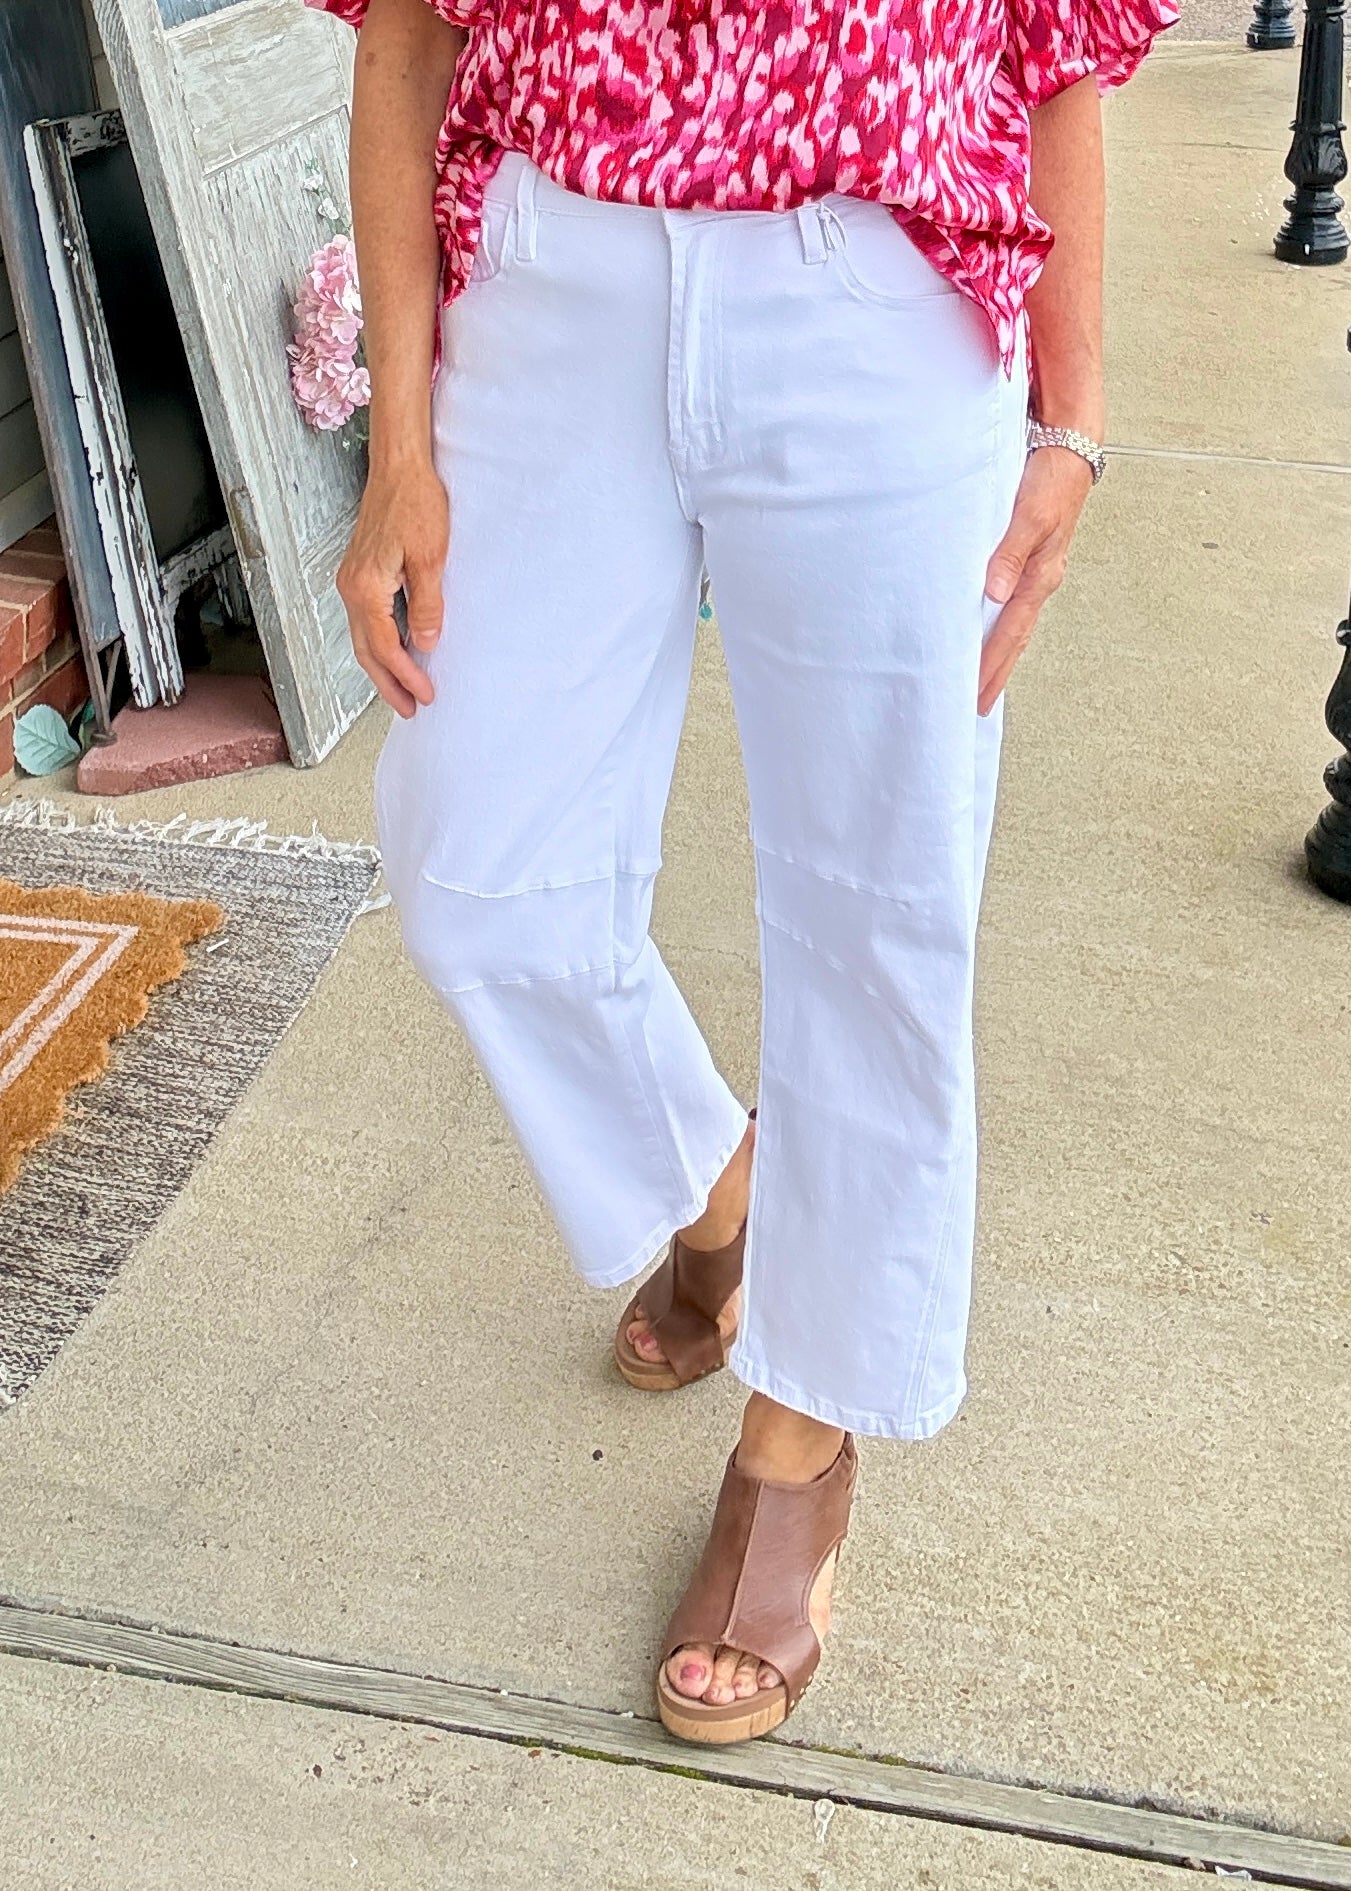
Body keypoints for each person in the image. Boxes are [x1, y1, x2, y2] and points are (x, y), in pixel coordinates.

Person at [307, 0, 1176, 1746]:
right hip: (556, 285)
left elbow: (1054, 38)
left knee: (878, 904)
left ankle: (801, 1437)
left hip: (879, 296)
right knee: (472, 851)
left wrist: (1072, 415)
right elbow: (404, 36)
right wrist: (399, 442)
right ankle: (724, 1193)